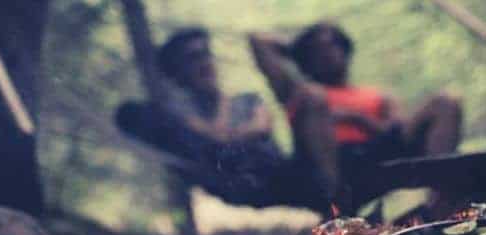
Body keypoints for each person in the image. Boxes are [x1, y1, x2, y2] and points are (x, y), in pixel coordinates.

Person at [249, 22, 463, 213]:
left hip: (376, 156)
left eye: (332, 45)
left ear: (345, 50)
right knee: (314, 96)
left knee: (447, 101)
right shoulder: (300, 92)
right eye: (316, 50)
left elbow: (398, 131)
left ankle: (440, 201)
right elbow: (258, 40)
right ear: (306, 59)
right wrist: (297, 48)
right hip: (325, 167)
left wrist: (356, 119)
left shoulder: (377, 96)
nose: (326, 53)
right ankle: (336, 208)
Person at [117, 28, 329, 209]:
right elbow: (216, 139)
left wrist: (229, 132)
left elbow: (260, 128)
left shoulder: (248, 99)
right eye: (193, 58)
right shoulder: (180, 118)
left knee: (312, 100)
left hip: (286, 176)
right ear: (178, 72)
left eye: (206, 54)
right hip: (242, 188)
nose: (204, 62)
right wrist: (230, 130)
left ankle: (333, 196)